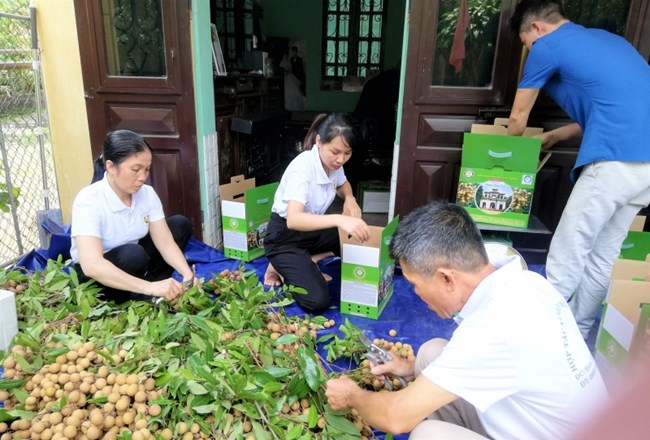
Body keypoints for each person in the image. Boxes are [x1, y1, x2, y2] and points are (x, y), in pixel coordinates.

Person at [325, 202, 608, 439]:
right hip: (541, 424)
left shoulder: (491, 329)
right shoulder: (527, 282)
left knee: (428, 435)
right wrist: (409, 370)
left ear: (447, 278)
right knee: (431, 354)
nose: (415, 293)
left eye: (414, 283)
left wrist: (352, 396)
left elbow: (396, 418)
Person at [507, 0, 650, 337]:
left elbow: (516, 120)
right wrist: (556, 135)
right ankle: (578, 330)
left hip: (613, 162)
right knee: (604, 255)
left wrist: (514, 144)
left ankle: (540, 336)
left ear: (537, 29)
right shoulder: (613, 42)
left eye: (526, 42)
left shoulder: (547, 46)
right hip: (644, 166)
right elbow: (614, 109)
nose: (530, 49)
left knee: (568, 250)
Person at [70, 130, 195, 304]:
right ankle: (137, 294)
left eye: (147, 169)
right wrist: (148, 287)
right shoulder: (89, 200)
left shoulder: (147, 194)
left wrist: (188, 275)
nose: (143, 177)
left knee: (179, 225)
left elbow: (165, 242)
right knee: (133, 254)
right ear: (111, 167)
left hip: (135, 264)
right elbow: (92, 265)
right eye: (135, 170)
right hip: (95, 280)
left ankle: (154, 292)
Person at [262, 113, 371, 312]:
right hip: (284, 238)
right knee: (317, 301)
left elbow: (342, 183)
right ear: (319, 141)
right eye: (335, 152)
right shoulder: (302, 169)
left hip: (310, 232)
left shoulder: (332, 164)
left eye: (347, 153)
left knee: (357, 236)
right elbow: (293, 220)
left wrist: (350, 198)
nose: (341, 160)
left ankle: (308, 260)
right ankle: (281, 263)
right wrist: (339, 219)